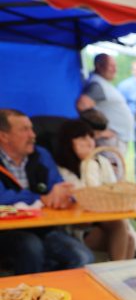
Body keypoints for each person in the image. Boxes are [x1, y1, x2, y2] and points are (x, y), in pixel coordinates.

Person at [0, 109, 92, 274]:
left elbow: (58, 187)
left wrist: (63, 195)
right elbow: (3, 199)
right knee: (32, 248)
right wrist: (41, 199)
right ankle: (30, 297)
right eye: (24, 130)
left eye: (32, 128)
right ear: (4, 136)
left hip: (43, 227)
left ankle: (60, 295)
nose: (33, 135)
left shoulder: (41, 154)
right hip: (6, 232)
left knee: (83, 257)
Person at [53, 120, 135, 261]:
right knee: (122, 231)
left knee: (128, 237)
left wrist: (91, 162)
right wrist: (88, 163)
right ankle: (118, 275)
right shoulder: (61, 169)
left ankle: (117, 276)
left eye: (91, 137)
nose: (89, 142)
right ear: (68, 141)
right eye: (82, 138)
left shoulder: (101, 162)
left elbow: (112, 191)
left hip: (104, 220)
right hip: (79, 226)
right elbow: (86, 195)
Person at [75, 54, 135, 156]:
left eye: (115, 66)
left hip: (115, 140)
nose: (115, 69)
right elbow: (82, 105)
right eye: (111, 66)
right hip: (109, 141)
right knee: (109, 171)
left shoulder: (102, 83)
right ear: (99, 66)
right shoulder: (97, 84)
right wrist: (98, 132)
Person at [117, 60, 136, 185]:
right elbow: (118, 104)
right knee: (122, 152)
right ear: (133, 71)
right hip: (130, 125)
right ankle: (120, 181)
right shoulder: (125, 86)